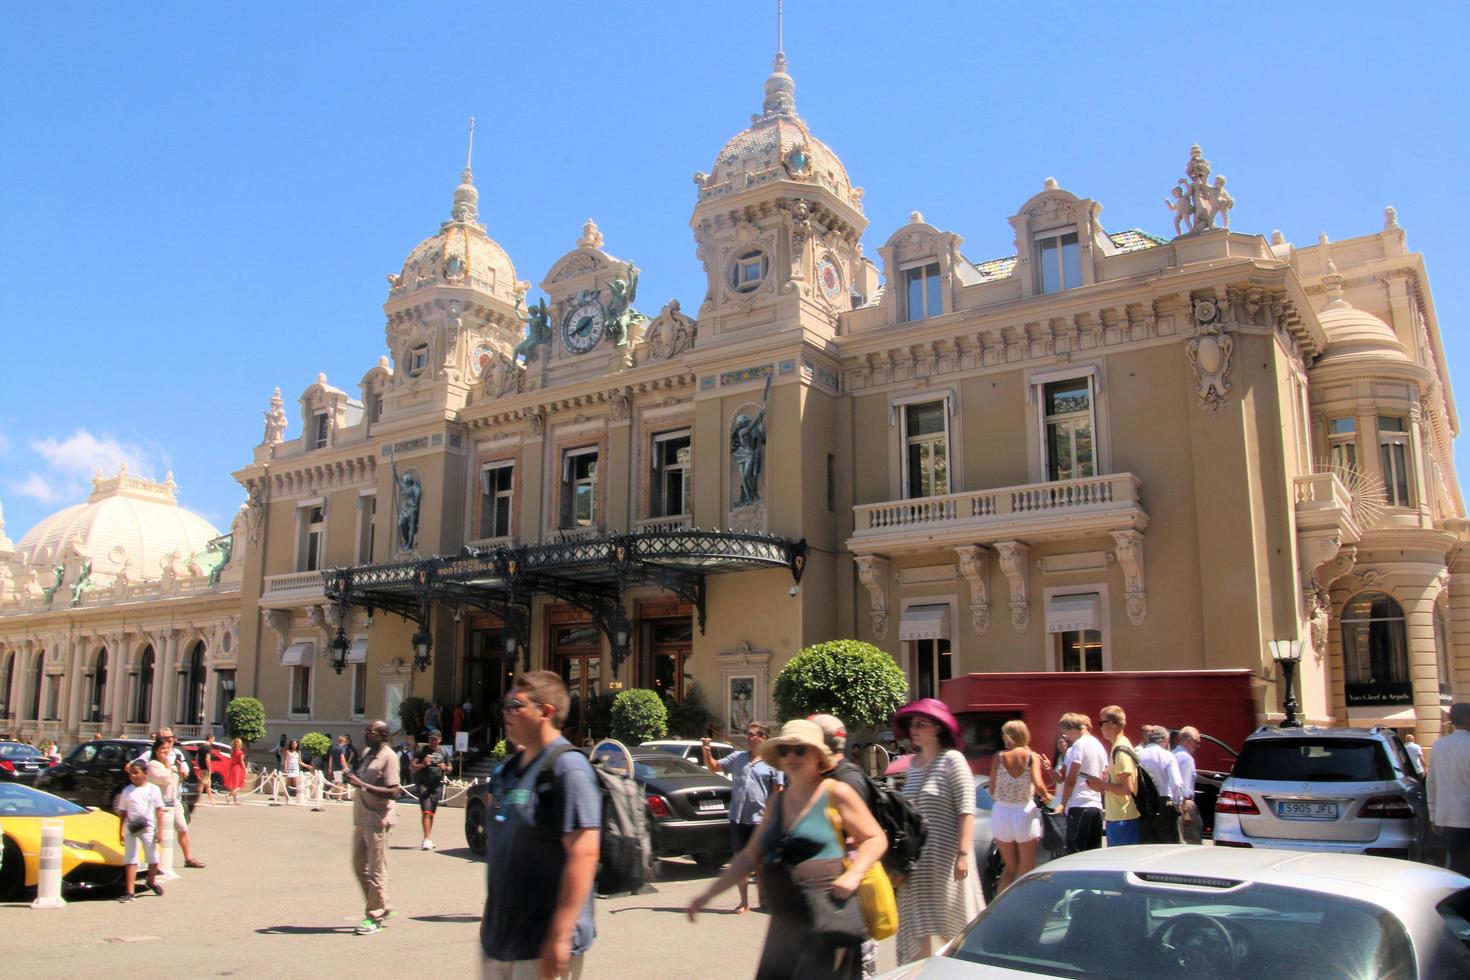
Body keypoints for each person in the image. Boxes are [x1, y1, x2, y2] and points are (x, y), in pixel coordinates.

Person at [688, 719, 886, 980]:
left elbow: (875, 838)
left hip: (827, 919)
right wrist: (708, 895)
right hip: (785, 924)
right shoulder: (777, 802)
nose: (791, 756)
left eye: (800, 749)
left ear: (817, 754)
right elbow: (748, 855)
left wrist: (854, 874)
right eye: (785, 751)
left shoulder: (837, 793)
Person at [481, 672, 602, 978]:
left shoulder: (568, 768)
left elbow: (585, 854)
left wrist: (560, 934)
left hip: (542, 943)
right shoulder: (506, 771)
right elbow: (502, 851)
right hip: (500, 940)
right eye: (504, 704)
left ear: (546, 711)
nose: (506, 712)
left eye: (515, 705)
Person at [892, 698, 979, 965]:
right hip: (916, 866)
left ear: (938, 728)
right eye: (911, 724)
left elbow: (966, 808)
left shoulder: (953, 760)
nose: (914, 729)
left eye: (921, 724)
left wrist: (962, 854)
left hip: (947, 864)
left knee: (957, 933)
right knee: (916, 937)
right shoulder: (912, 765)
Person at [809, 713, 879, 980]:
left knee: (856, 970)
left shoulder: (845, 781)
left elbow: (865, 839)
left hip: (851, 897)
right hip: (834, 897)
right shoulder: (831, 777)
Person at [701, 720, 781, 913]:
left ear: (763, 738)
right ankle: (743, 902)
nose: (748, 737)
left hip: (761, 820)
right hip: (738, 818)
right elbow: (713, 766)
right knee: (740, 861)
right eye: (747, 733)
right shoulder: (737, 757)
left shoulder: (772, 763)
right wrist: (706, 749)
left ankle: (763, 899)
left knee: (760, 863)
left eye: (752, 734)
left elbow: (778, 792)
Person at [344, 719, 402, 935]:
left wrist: (363, 785)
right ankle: (383, 903)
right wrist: (352, 778)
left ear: (383, 735)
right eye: (366, 730)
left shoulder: (389, 757)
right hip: (361, 818)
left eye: (371, 731)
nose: (366, 734)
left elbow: (395, 791)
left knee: (377, 870)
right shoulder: (368, 752)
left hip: (378, 820)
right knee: (359, 865)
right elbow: (362, 778)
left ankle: (374, 916)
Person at [989, 720, 1051, 895]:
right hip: (1023, 813)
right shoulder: (1031, 756)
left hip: (1001, 813)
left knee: (1010, 868)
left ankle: (999, 907)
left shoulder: (999, 757)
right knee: (1027, 868)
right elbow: (1038, 784)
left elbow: (992, 789)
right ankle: (1023, 906)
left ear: (1009, 736)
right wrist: (1047, 797)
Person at [1084, 705, 1141, 846]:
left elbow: (1127, 789)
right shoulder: (1118, 747)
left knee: (1121, 864)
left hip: (1123, 818)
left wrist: (1102, 785)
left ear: (1111, 724)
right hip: (1118, 817)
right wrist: (1101, 786)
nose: (1100, 727)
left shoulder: (1120, 751)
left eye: (1101, 723)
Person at [146, 736, 205, 868]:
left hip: (174, 801)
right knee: (158, 833)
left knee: (183, 828)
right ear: (156, 751)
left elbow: (178, 779)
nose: (166, 751)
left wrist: (180, 771)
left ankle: (188, 858)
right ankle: (154, 862)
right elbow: (165, 780)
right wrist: (168, 766)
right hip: (160, 804)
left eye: (168, 748)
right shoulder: (153, 764)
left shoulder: (171, 763)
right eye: (163, 748)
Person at [1053, 713, 1107, 853]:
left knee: (1075, 853)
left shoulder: (1079, 745)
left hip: (1079, 806)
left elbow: (1071, 779)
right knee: (1093, 854)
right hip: (1096, 807)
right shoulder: (1098, 745)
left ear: (1070, 729)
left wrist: (1062, 804)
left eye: (1065, 734)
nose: (1067, 737)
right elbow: (1104, 776)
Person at [1429, 703, 1470, 877]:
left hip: (1447, 816)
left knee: (1456, 863)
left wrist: (1433, 814)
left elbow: (1431, 781)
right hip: (1466, 815)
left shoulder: (1438, 745)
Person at [115, 760, 164, 902]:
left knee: (153, 856)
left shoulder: (153, 789)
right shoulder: (127, 791)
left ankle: (151, 880)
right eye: (131, 773)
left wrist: (160, 830)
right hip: (132, 827)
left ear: (145, 773)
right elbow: (123, 812)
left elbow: (159, 811)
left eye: (136, 773)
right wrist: (121, 829)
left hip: (148, 827)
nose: (133, 776)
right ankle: (130, 891)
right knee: (131, 857)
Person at [1136, 725, 1183, 844]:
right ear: (1165, 741)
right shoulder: (1167, 756)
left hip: (1144, 802)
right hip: (1164, 801)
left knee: (1147, 842)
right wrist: (1178, 803)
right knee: (1168, 842)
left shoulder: (1138, 755)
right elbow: (1176, 783)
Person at [411, 729, 451, 850]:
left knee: (432, 813)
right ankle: (426, 838)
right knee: (426, 811)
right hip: (423, 784)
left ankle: (428, 837)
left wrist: (445, 767)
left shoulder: (443, 752)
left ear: (440, 740)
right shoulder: (422, 750)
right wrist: (423, 764)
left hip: (436, 786)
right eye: (430, 738)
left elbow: (450, 768)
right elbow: (412, 767)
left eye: (435, 739)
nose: (432, 741)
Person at [1172, 726, 1202, 844]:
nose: (1197, 746)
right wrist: (1186, 813)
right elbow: (1184, 788)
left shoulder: (1172, 754)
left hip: (1174, 804)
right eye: (1197, 742)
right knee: (1192, 841)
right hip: (1185, 805)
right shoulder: (1186, 758)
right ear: (1189, 740)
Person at [223, 737, 247, 806]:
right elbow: (242, 762)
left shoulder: (232, 752)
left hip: (232, 768)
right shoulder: (240, 753)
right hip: (238, 768)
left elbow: (231, 760)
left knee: (234, 786)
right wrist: (244, 769)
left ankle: (235, 801)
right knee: (239, 785)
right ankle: (229, 795)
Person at [282, 739, 306, 805]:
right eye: (293, 744)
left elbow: (300, 762)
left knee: (296, 784)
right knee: (288, 784)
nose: (294, 745)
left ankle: (297, 798)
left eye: (295, 744)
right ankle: (287, 799)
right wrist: (285, 768)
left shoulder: (298, 752)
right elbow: (286, 760)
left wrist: (307, 766)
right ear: (291, 744)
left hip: (296, 769)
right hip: (290, 768)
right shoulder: (288, 751)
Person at [195, 735, 217, 805]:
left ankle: (212, 800)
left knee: (208, 785)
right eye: (213, 739)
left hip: (201, 767)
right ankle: (197, 800)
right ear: (210, 739)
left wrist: (198, 765)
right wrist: (209, 769)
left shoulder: (201, 747)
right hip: (206, 768)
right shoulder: (209, 748)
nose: (213, 741)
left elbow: (197, 758)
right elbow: (207, 759)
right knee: (202, 783)